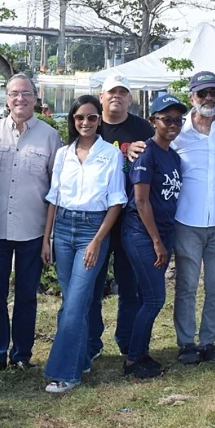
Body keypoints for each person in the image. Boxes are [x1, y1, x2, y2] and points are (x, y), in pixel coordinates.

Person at [131, 71, 215, 364]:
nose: (209, 98)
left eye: (214, 92)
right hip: (186, 222)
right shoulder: (177, 131)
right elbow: (150, 146)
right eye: (202, 93)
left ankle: (209, 342)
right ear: (192, 98)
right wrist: (126, 147)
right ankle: (186, 344)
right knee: (186, 286)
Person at [0, 74, 61, 374]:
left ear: (36, 97)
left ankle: (22, 354)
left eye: (26, 93)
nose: (20, 99)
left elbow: (55, 190)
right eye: (14, 94)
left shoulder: (50, 137)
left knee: (26, 296)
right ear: (6, 98)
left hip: (33, 230)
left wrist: (49, 237)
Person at [41, 95, 126, 393]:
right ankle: (85, 354)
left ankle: (66, 372)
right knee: (74, 301)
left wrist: (97, 241)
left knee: (75, 303)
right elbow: (54, 197)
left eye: (91, 118)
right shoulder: (64, 154)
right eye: (80, 118)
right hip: (63, 228)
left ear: (99, 120)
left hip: (93, 229)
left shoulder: (111, 155)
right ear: (73, 121)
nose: (85, 123)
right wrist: (47, 238)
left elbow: (116, 202)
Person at [88, 74, 154, 363]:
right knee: (92, 286)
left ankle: (127, 342)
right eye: (110, 92)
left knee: (131, 286)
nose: (116, 96)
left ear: (130, 98)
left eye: (122, 92)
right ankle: (91, 343)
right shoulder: (89, 124)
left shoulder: (142, 128)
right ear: (101, 97)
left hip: (131, 219)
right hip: (94, 218)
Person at [121, 93, 185, 378]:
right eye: (166, 119)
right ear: (153, 121)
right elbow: (142, 201)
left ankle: (140, 352)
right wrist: (157, 241)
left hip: (164, 233)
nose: (172, 125)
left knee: (147, 296)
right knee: (154, 298)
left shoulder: (173, 156)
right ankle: (134, 359)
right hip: (143, 234)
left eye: (177, 120)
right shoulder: (146, 152)